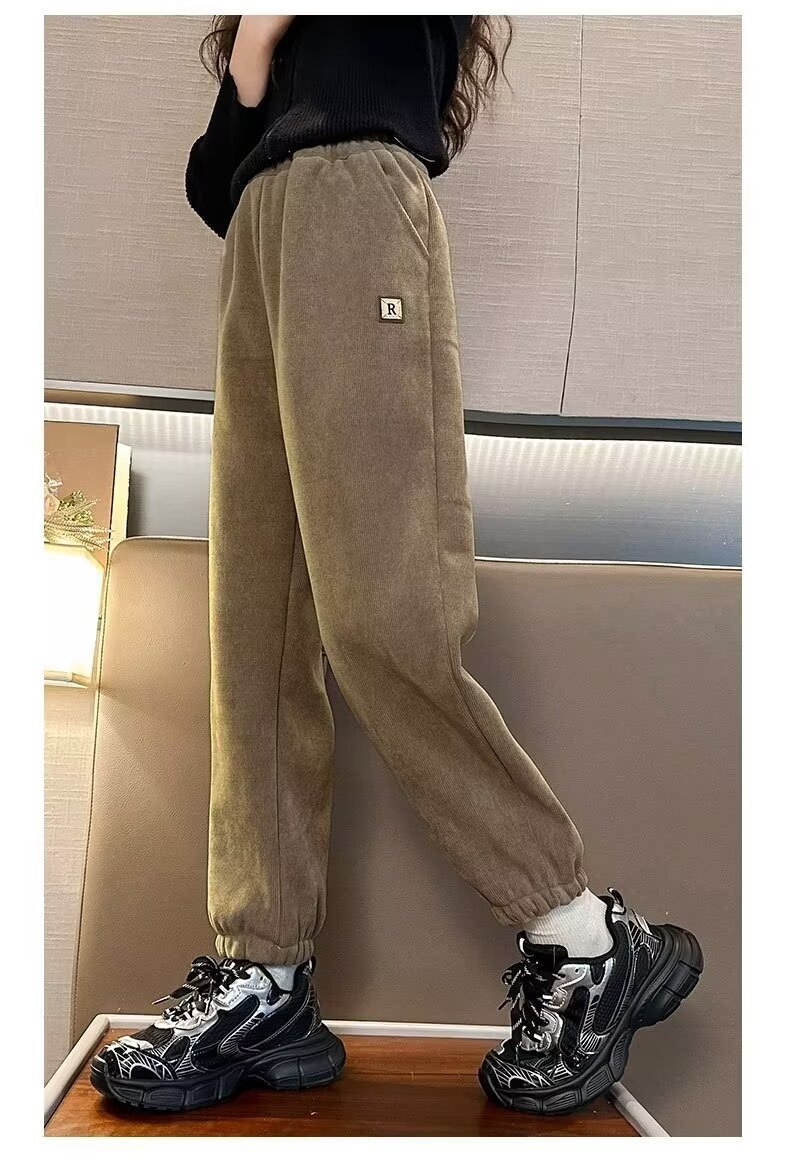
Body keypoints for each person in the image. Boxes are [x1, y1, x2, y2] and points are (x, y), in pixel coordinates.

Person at [90, 14, 702, 1117]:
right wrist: (252, 54)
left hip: (356, 216)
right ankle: (265, 971)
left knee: (382, 614)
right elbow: (211, 185)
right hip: (261, 241)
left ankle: (583, 936)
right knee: (254, 634)